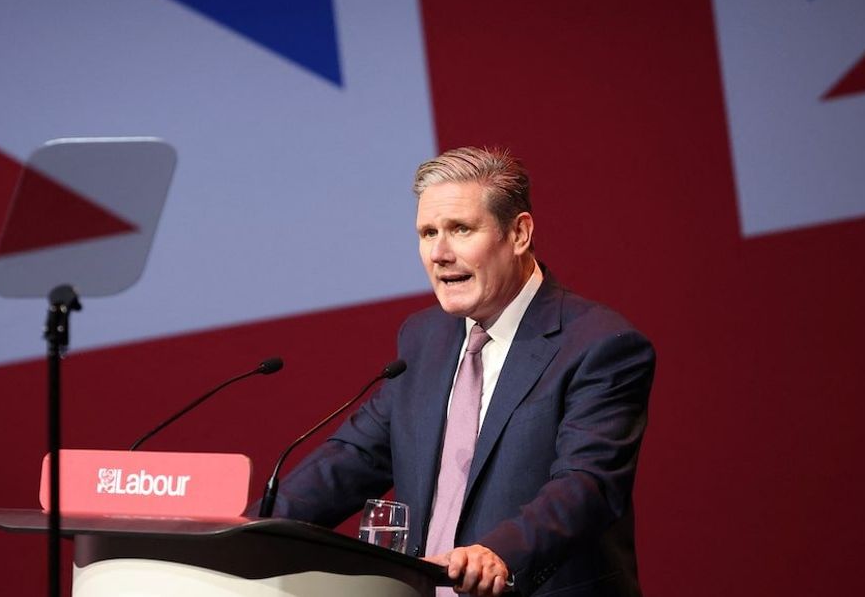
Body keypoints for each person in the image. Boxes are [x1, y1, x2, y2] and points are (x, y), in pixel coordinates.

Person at [264, 147, 655, 596]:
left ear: (520, 233)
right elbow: (353, 459)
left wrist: (500, 553)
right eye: (427, 233)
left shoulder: (598, 344)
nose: (439, 253)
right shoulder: (424, 338)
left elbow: (587, 485)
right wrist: (241, 533)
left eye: (460, 229)